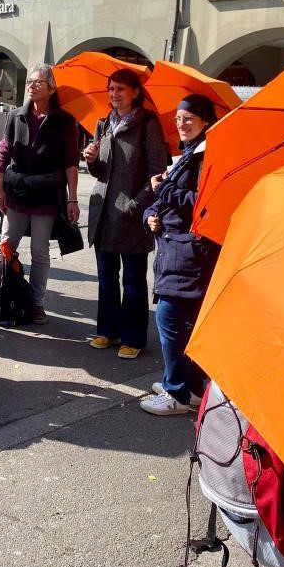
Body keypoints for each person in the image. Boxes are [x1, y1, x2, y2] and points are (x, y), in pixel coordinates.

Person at [140, 93, 220, 415]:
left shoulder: (206, 157)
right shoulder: (187, 154)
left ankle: (177, 394)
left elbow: (203, 203)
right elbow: (164, 201)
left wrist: (165, 190)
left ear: (205, 122)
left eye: (188, 118)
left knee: (170, 317)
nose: (181, 124)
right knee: (182, 320)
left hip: (190, 251)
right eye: (178, 118)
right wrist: (150, 215)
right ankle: (187, 385)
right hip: (173, 247)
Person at [84, 69, 166, 359]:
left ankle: (133, 337)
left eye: (120, 89)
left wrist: (135, 205)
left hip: (131, 216)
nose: (114, 94)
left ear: (134, 92)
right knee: (106, 277)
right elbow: (101, 171)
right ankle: (108, 330)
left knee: (132, 280)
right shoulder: (104, 124)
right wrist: (92, 161)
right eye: (111, 89)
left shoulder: (147, 125)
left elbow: (157, 172)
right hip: (103, 213)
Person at [0, 64, 79, 326]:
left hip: (46, 194)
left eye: (38, 82)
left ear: (52, 89)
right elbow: (3, 150)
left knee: (39, 251)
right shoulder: (16, 115)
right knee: (6, 244)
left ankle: (36, 304)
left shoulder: (64, 121)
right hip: (17, 190)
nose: (31, 86)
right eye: (30, 81)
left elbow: (70, 162)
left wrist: (72, 198)